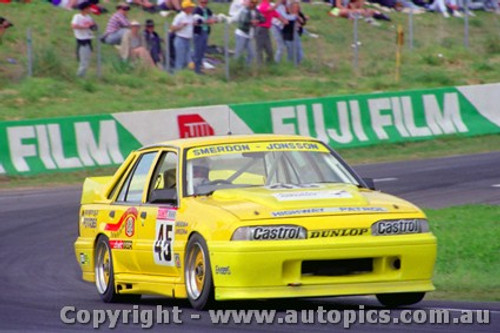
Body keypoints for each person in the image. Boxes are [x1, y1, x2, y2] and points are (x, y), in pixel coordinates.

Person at [255, 0, 287, 65]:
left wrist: (284, 21)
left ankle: (269, 64)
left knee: (269, 49)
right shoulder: (263, 5)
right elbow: (270, 9)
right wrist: (279, 2)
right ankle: (259, 66)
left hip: (266, 30)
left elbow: (278, 15)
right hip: (260, 29)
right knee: (259, 49)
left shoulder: (270, 7)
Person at [234, 0, 265, 65]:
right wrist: (251, 21)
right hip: (242, 34)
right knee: (239, 53)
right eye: (252, 2)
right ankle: (235, 68)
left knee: (251, 54)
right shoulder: (244, 10)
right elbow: (244, 20)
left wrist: (257, 21)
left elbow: (263, 19)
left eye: (255, 3)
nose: (253, 4)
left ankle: (246, 69)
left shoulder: (256, 11)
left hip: (249, 35)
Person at [71, 2, 96, 77]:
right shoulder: (77, 16)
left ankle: (83, 75)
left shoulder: (89, 17)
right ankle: (79, 76)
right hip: (82, 40)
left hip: (88, 39)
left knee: (87, 59)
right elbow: (73, 26)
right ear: (84, 9)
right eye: (88, 8)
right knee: (83, 61)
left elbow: (93, 26)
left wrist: (93, 26)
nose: (90, 9)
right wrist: (85, 27)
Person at [193, 0, 217, 74]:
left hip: (205, 32)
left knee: (202, 51)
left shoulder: (207, 10)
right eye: (202, 2)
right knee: (198, 51)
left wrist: (213, 19)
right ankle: (196, 70)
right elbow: (197, 20)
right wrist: (207, 21)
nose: (204, 4)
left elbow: (213, 17)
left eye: (205, 2)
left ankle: (200, 69)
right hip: (199, 33)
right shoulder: (197, 10)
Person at [171, 0, 196, 71]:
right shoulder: (180, 16)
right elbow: (172, 28)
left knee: (189, 59)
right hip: (180, 39)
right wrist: (181, 26)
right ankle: (178, 76)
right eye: (190, 7)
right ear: (186, 8)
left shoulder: (191, 16)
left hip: (188, 40)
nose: (192, 8)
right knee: (180, 60)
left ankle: (186, 75)